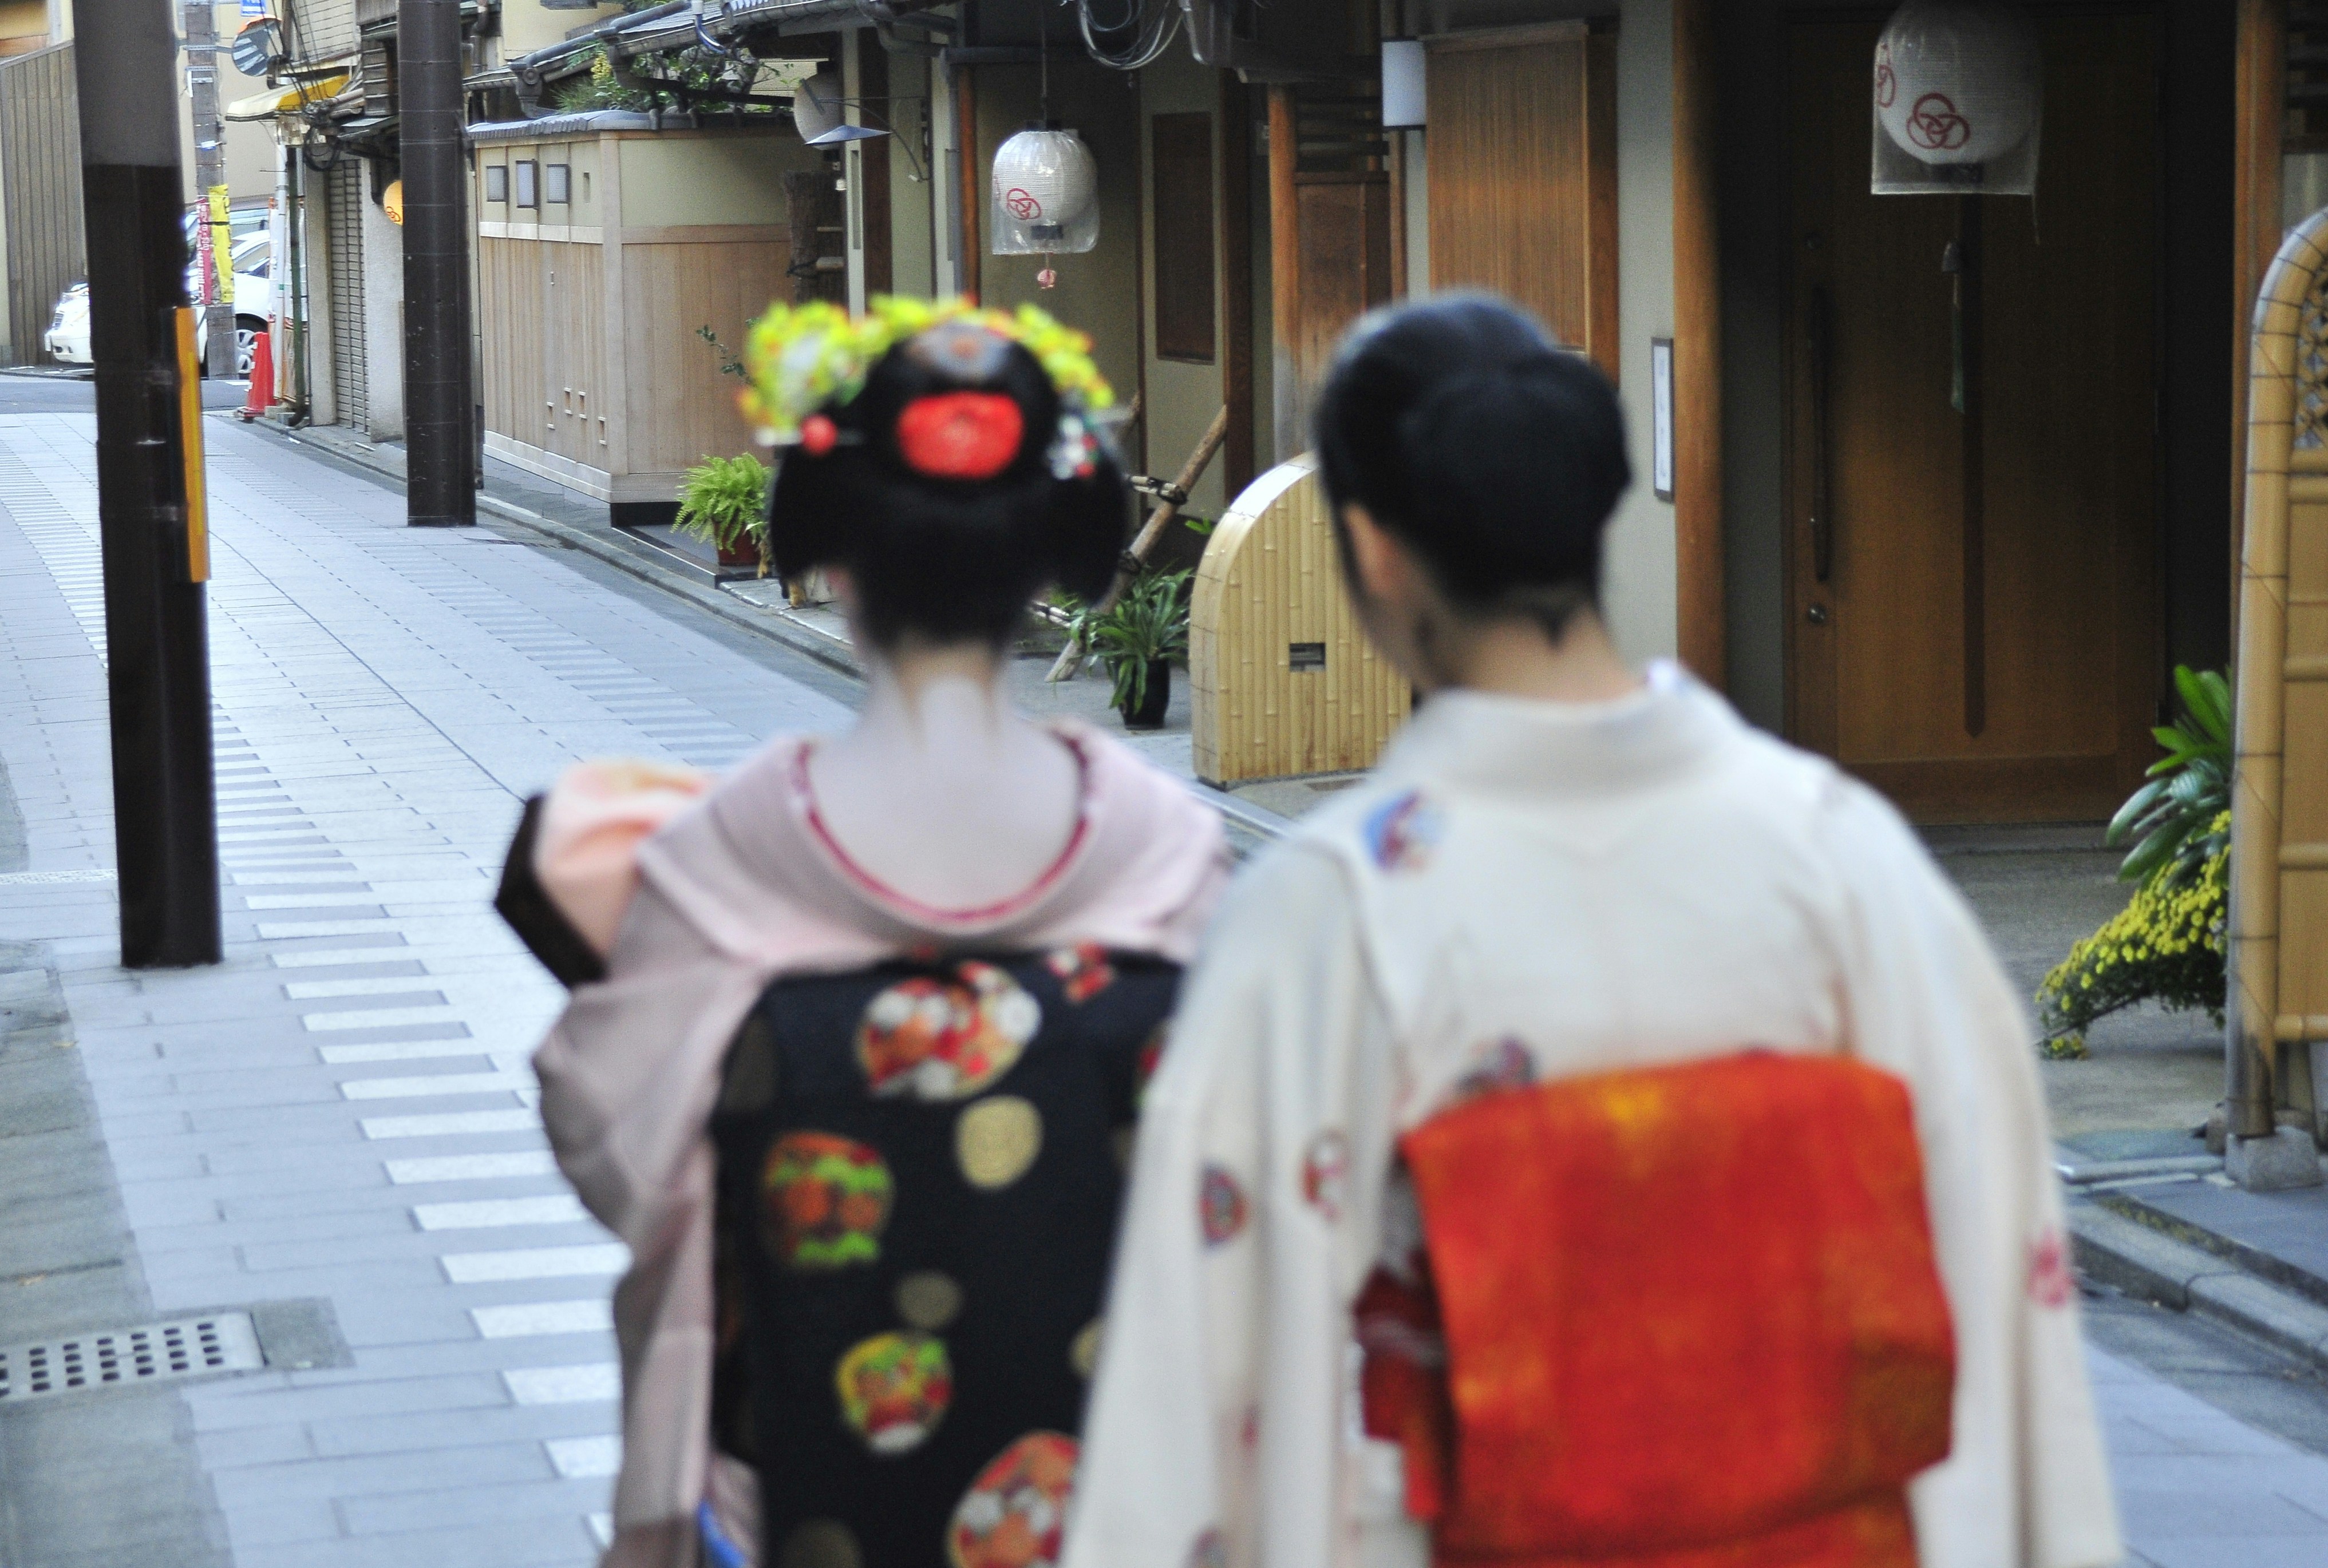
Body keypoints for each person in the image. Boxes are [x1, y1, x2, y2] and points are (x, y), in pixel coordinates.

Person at [1062, 296, 2120, 1568]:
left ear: (1374, 551)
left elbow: (1204, 1371)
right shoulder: (1841, 853)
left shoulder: (1333, 913)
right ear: (1593, 513)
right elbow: (1995, 1259)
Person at [500, 299, 1228, 1568]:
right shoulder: (1162, 847)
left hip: (804, 1489)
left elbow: (605, 1129)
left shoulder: (729, 847)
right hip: (1118, 1489)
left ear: (835, 556)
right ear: (1051, 554)